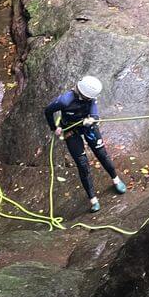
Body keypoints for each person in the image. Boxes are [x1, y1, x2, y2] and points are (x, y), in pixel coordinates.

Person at [43, 75, 127, 212]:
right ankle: (93, 199)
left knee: (102, 154)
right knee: (82, 164)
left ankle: (116, 179)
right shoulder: (65, 101)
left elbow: (94, 108)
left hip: (88, 125)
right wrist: (54, 128)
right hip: (70, 129)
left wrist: (93, 118)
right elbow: (48, 110)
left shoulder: (91, 97)